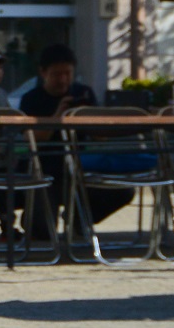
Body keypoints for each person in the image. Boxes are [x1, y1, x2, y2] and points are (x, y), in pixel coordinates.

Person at [18, 43, 132, 232]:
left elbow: (101, 138)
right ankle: (36, 219)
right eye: (56, 74)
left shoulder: (83, 93)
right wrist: (58, 118)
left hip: (81, 168)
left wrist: (86, 118)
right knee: (42, 231)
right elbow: (33, 137)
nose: (63, 80)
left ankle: (79, 218)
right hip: (45, 170)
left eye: (67, 73)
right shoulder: (31, 98)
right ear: (43, 73)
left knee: (123, 192)